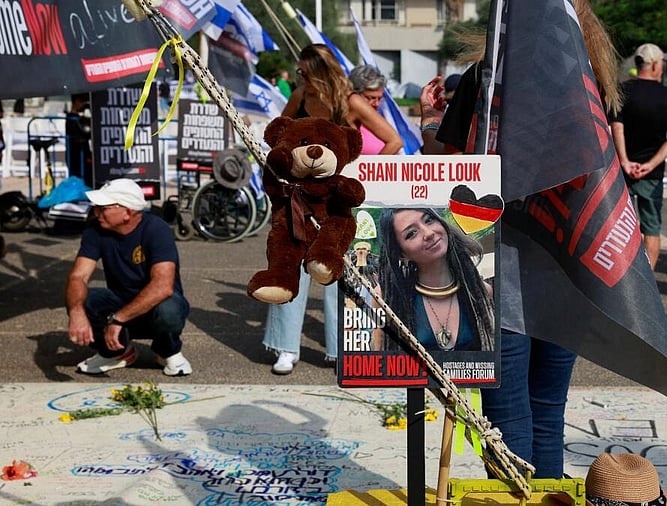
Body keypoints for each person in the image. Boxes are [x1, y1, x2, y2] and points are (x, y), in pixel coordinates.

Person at [417, 0, 621, 478]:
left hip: (499, 272)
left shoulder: (486, 79)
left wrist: (430, 122)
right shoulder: (592, 78)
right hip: (569, 272)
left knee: (506, 422)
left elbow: (454, 171)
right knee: (548, 416)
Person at [263, 44, 402, 375]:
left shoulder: (350, 102)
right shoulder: (299, 97)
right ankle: (285, 348)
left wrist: (361, 176)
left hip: (337, 196)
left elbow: (393, 140)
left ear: (318, 71)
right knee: (289, 262)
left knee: (335, 268)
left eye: (302, 72)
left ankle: (338, 349)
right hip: (298, 193)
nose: (299, 78)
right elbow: (278, 133)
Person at [65, 179, 192, 376]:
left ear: (127, 212)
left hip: (155, 306)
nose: (96, 212)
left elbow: (163, 286)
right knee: (84, 299)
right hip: (121, 300)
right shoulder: (95, 229)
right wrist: (76, 311)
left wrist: (117, 320)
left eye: (103, 207)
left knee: (170, 308)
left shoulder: (157, 230)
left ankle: (167, 350)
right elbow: (78, 276)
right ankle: (115, 352)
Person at [372, 208, 494, 352]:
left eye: (429, 220)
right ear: (401, 253)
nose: (429, 233)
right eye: (411, 233)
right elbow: (380, 356)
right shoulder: (384, 297)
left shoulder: (482, 292)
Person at [609, 42, 667, 271]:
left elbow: (616, 127)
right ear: (654, 65)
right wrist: (650, 165)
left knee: (620, 224)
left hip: (623, 171)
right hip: (652, 173)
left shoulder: (622, 91)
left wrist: (625, 160)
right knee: (651, 227)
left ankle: (624, 274)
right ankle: (649, 278)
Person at [348, 64, 391, 155]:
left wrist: (374, 167)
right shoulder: (345, 121)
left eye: (379, 99)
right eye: (370, 98)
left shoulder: (382, 121)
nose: (377, 104)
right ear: (354, 95)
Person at [65, 93, 93, 188]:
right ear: (77, 101)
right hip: (76, 154)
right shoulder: (72, 118)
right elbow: (84, 131)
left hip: (83, 153)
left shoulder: (79, 118)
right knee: (79, 176)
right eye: (82, 101)